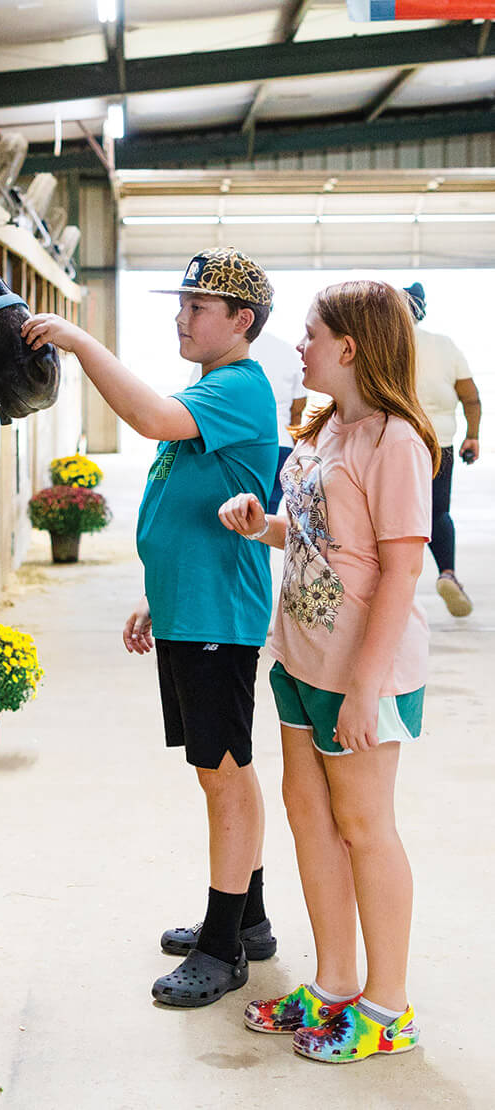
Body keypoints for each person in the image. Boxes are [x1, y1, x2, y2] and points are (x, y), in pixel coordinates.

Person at [22, 248, 279, 1008]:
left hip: (218, 618)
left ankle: (223, 946)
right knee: (223, 768)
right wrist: (155, 596)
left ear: (242, 321)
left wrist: (80, 341)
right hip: (188, 609)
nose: (182, 315)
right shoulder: (212, 388)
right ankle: (251, 919)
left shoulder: (237, 387)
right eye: (183, 303)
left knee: (223, 773)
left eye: (199, 306)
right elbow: (186, 503)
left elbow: (143, 418)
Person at [218, 280, 438, 1063]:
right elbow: (319, 541)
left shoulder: (396, 443)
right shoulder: (323, 429)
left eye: (310, 334)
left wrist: (365, 690)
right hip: (300, 658)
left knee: (365, 828)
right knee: (311, 819)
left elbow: (402, 575)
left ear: (350, 348)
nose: (299, 346)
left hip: (360, 675)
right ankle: (336, 984)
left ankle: (389, 1008)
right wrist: (263, 526)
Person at [403, 282, 481, 617]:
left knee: (388, 515)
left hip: (395, 441)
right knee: (436, 512)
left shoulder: (383, 343)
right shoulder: (445, 346)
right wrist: (472, 436)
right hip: (440, 442)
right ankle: (447, 573)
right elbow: (471, 397)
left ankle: (391, 585)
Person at [191, 331, 306, 513]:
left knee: (229, 520)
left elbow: (197, 404)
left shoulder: (221, 350)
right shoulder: (287, 351)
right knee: (264, 520)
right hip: (281, 448)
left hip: (234, 448)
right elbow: (297, 413)